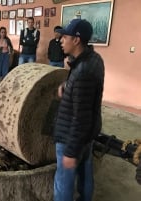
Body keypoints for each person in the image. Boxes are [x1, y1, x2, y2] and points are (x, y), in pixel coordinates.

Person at [53, 19, 105, 201]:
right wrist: (68, 84)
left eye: (64, 36)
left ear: (76, 40)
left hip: (70, 137)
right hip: (88, 134)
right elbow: (87, 90)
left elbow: (80, 118)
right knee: (85, 174)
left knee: (63, 183)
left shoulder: (83, 72)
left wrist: (70, 151)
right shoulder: (94, 59)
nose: (60, 40)